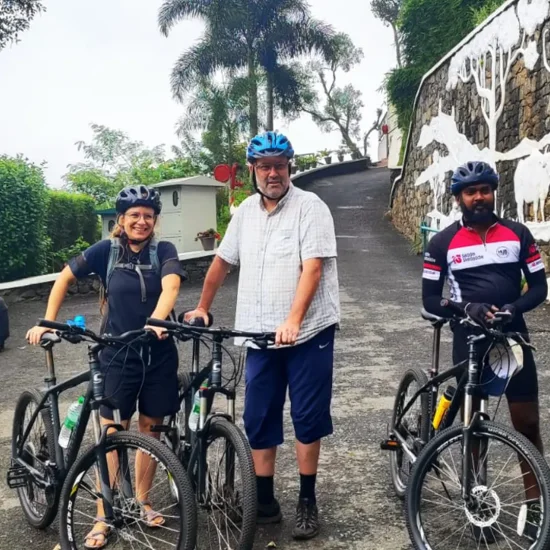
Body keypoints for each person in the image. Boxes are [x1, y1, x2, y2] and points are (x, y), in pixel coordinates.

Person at [185, 131, 340, 540]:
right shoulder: (245, 213)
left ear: (290, 167)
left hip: (308, 334)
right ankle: (265, 502)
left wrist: (293, 320)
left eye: (280, 165)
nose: (273, 173)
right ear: (252, 170)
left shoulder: (311, 207)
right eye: (265, 166)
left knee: (307, 419)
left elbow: (313, 268)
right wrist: (202, 305)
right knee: (258, 418)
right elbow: (222, 262)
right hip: (259, 336)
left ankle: (307, 500)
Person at [26, 184, 186, 549]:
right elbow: (64, 278)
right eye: (134, 216)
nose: (141, 221)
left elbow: (172, 286)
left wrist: (158, 321)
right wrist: (47, 323)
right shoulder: (107, 251)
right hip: (116, 353)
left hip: (158, 354)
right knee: (112, 434)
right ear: (122, 220)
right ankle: (103, 515)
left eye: (147, 216)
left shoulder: (164, 250)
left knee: (152, 431)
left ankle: (143, 500)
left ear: (154, 220)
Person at [422, 160, 548, 540]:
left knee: (526, 423)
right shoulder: (441, 242)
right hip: (470, 338)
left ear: (494, 192)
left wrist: (515, 307)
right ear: (459, 197)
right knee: (473, 425)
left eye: (485, 189)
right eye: (471, 191)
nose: (479, 197)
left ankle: (536, 505)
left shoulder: (518, 234)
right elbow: (430, 299)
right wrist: (466, 309)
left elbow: (540, 288)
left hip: (514, 336)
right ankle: (476, 503)